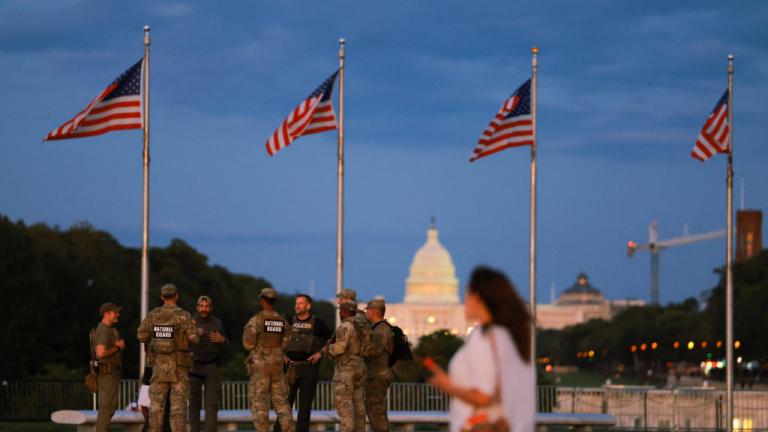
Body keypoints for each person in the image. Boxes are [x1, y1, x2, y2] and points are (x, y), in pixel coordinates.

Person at [427, 267, 535, 432]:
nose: (464, 301)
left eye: (466, 294)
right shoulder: (513, 336)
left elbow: (483, 397)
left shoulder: (483, 337)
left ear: (477, 297)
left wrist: (448, 386)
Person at [137, 283, 199, 432]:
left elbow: (141, 335)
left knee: (156, 408)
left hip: (159, 368)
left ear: (161, 297)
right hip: (179, 369)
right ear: (177, 296)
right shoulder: (184, 316)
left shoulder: (153, 315)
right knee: (178, 410)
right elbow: (194, 338)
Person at [276, 294, 333, 432]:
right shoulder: (289, 321)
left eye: (301, 303)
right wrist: (281, 354)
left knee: (305, 406)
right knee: (284, 404)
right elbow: (276, 339)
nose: (297, 305)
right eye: (296, 303)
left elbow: (332, 339)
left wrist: (320, 353)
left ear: (308, 306)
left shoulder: (318, 322)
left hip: (309, 368)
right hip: (290, 368)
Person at [243, 287, 295, 432]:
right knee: (282, 403)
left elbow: (248, 344)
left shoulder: (256, 320)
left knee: (260, 402)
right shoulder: (282, 321)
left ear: (263, 300)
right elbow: (287, 342)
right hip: (278, 364)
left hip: (261, 365)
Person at [189, 295, 228, 432]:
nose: (204, 309)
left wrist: (222, 340)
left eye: (206, 306)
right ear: (197, 307)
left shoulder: (217, 323)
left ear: (211, 307)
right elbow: (180, 343)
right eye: (201, 306)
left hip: (212, 366)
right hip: (193, 366)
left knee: (212, 403)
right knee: (194, 403)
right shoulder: (189, 321)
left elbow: (227, 345)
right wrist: (193, 334)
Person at [327, 300, 366, 432]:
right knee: (359, 407)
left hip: (346, 369)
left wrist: (329, 348)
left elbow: (339, 349)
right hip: (360, 366)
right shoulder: (362, 326)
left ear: (343, 312)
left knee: (345, 407)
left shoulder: (346, 326)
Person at [91, 302, 125, 432]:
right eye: (115, 312)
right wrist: (117, 347)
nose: (118, 314)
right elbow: (100, 353)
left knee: (110, 407)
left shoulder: (108, 330)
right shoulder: (104, 330)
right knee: (106, 408)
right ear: (107, 314)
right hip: (107, 374)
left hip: (111, 373)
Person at [364, 299, 393, 432]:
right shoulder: (380, 328)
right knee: (376, 409)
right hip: (378, 374)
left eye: (368, 310)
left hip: (377, 375)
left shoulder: (380, 330)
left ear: (374, 312)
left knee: (376, 410)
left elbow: (373, 351)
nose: (366, 313)